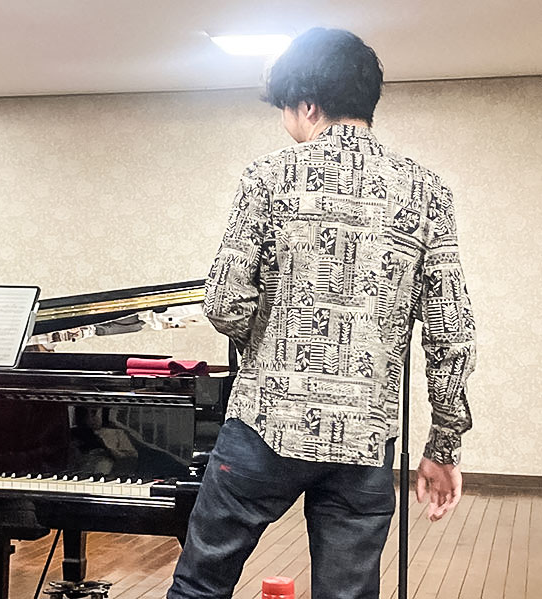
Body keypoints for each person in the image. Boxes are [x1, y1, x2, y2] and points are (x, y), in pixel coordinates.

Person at [168, 28, 476, 599]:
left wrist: (269, 338)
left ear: (307, 104)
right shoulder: (428, 191)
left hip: (265, 425)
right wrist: (443, 446)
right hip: (367, 438)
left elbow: (224, 302)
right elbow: (451, 334)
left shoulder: (268, 176)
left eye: (286, 110)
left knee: (200, 586)